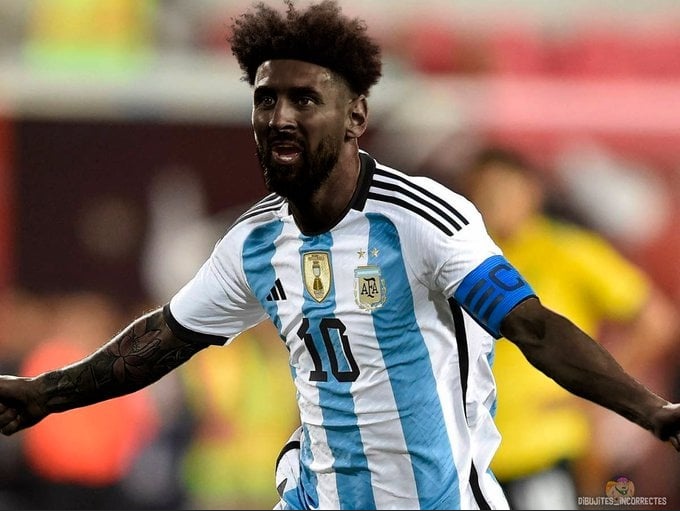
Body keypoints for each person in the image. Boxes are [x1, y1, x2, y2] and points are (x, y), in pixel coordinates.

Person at [1, 2, 680, 509]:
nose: (280, 118)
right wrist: (45, 392)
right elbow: (164, 338)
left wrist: (651, 411)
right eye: (266, 100)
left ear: (356, 116)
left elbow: (533, 327)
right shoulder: (253, 241)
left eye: (304, 100)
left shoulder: (422, 220)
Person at [456, 146, 680, 509]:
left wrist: (596, 386)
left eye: (503, 190)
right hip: (471, 448)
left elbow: (657, 321)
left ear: (531, 192)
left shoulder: (568, 251)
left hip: (546, 445)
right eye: (482, 192)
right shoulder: (461, 259)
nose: (493, 202)